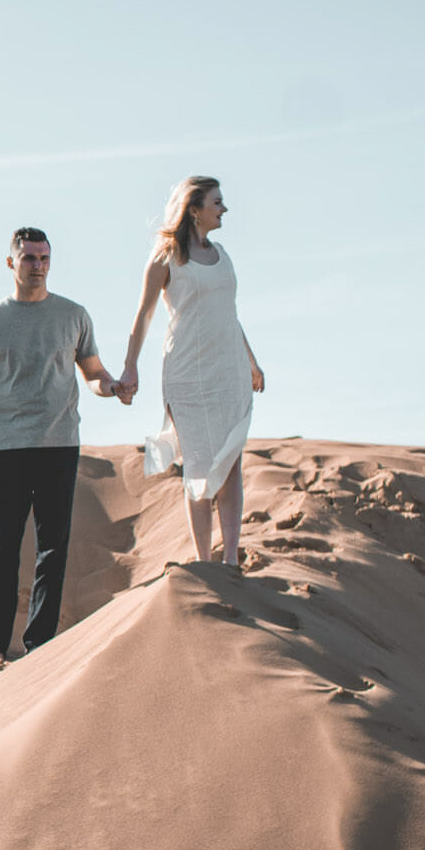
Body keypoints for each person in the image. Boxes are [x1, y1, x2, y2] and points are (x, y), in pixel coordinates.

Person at [0, 227, 120, 668]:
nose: (37, 265)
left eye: (44, 258)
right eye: (29, 258)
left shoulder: (73, 315)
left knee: (54, 547)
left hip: (60, 446)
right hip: (9, 449)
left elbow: (92, 373)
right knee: (2, 547)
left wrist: (112, 387)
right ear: (11, 262)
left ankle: (40, 646)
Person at [115, 177, 265, 565]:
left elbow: (230, 316)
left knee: (231, 460)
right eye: (218, 202)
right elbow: (143, 317)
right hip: (188, 373)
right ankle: (203, 559)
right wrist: (130, 368)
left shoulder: (224, 255)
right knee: (198, 464)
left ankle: (230, 559)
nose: (225, 209)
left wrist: (251, 362)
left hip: (229, 370)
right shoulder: (166, 258)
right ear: (194, 208)